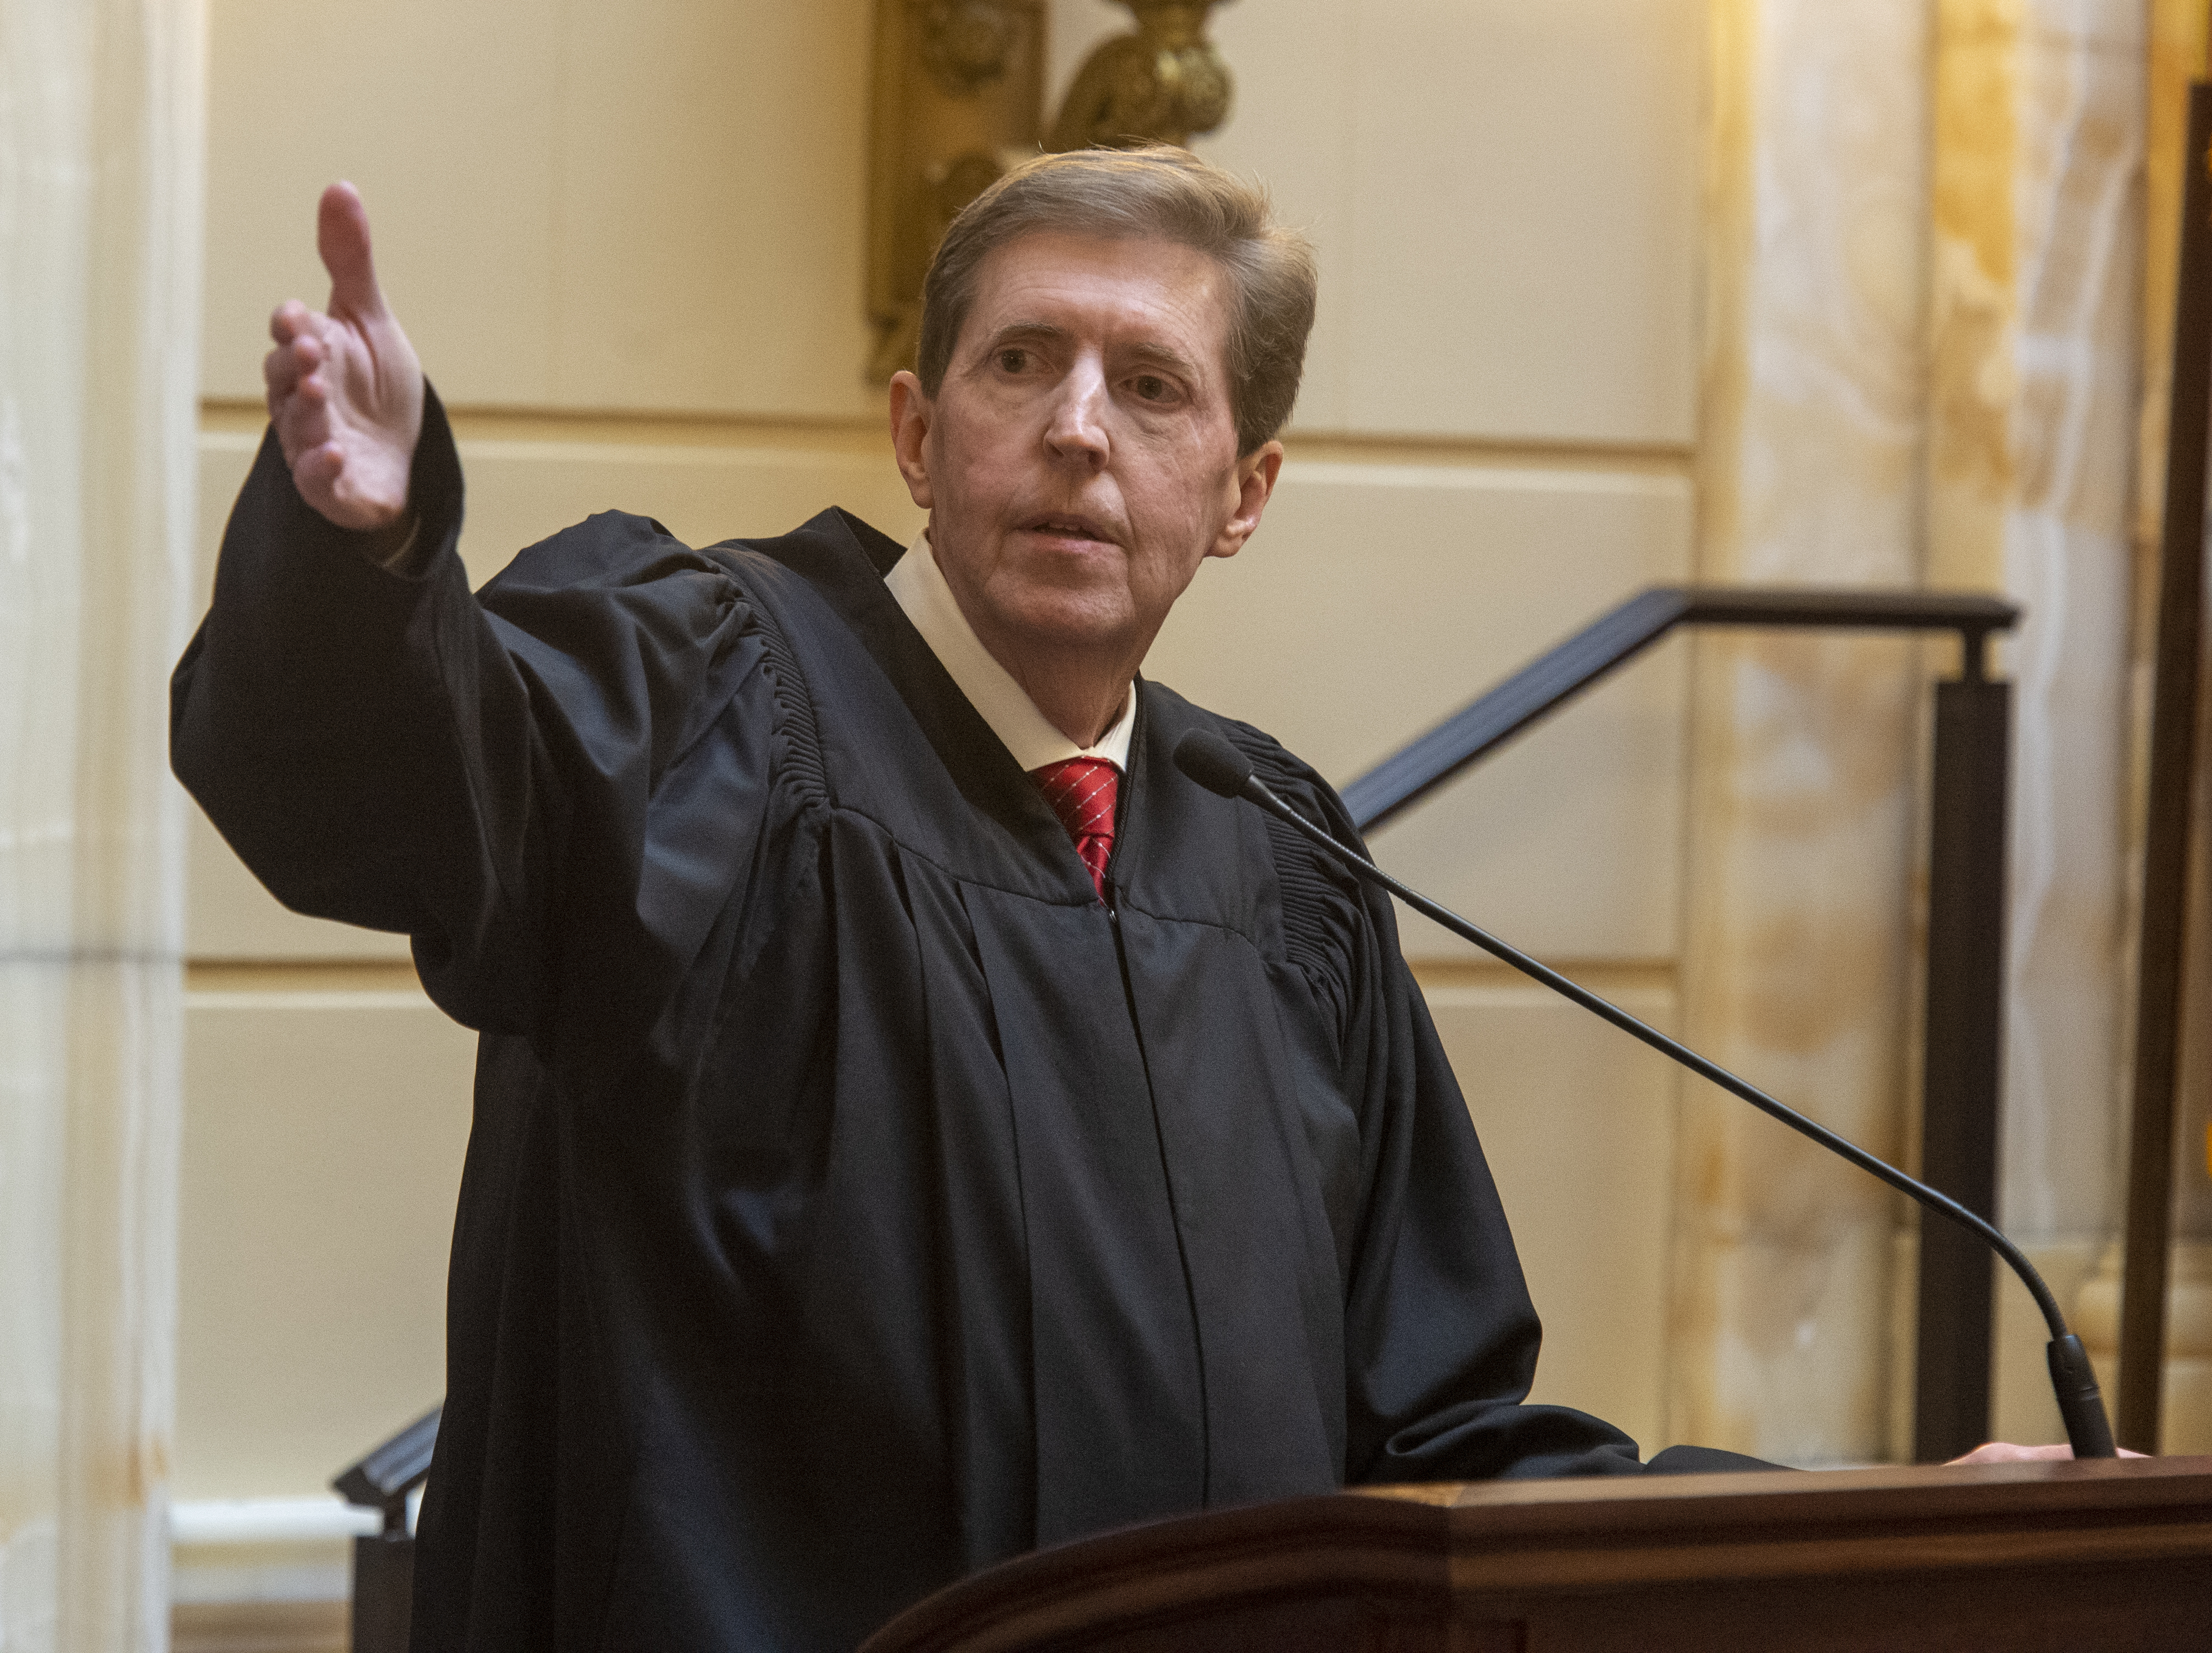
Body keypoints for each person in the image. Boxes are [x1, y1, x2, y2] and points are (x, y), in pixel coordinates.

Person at [171, 147, 2069, 1652]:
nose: (1079, 424)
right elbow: (402, 794)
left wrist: (1875, 1516)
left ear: (1237, 489)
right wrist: (372, 555)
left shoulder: (1278, 867)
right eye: (1024, 361)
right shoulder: (704, 704)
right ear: (920, 435)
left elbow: (1435, 1448)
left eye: (1150, 384)